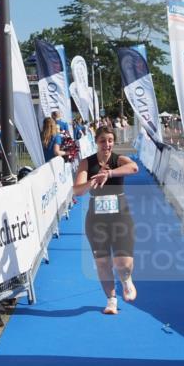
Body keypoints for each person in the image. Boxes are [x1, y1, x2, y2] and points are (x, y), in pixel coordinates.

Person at [72, 126, 140, 315]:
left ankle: (126, 279)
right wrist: (92, 182)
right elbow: (77, 190)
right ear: (96, 141)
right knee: (103, 263)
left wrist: (109, 174)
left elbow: (134, 167)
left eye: (110, 140)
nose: (107, 144)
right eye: (103, 140)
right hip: (96, 221)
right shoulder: (87, 163)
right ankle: (111, 301)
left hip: (120, 218)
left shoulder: (119, 160)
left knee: (123, 264)